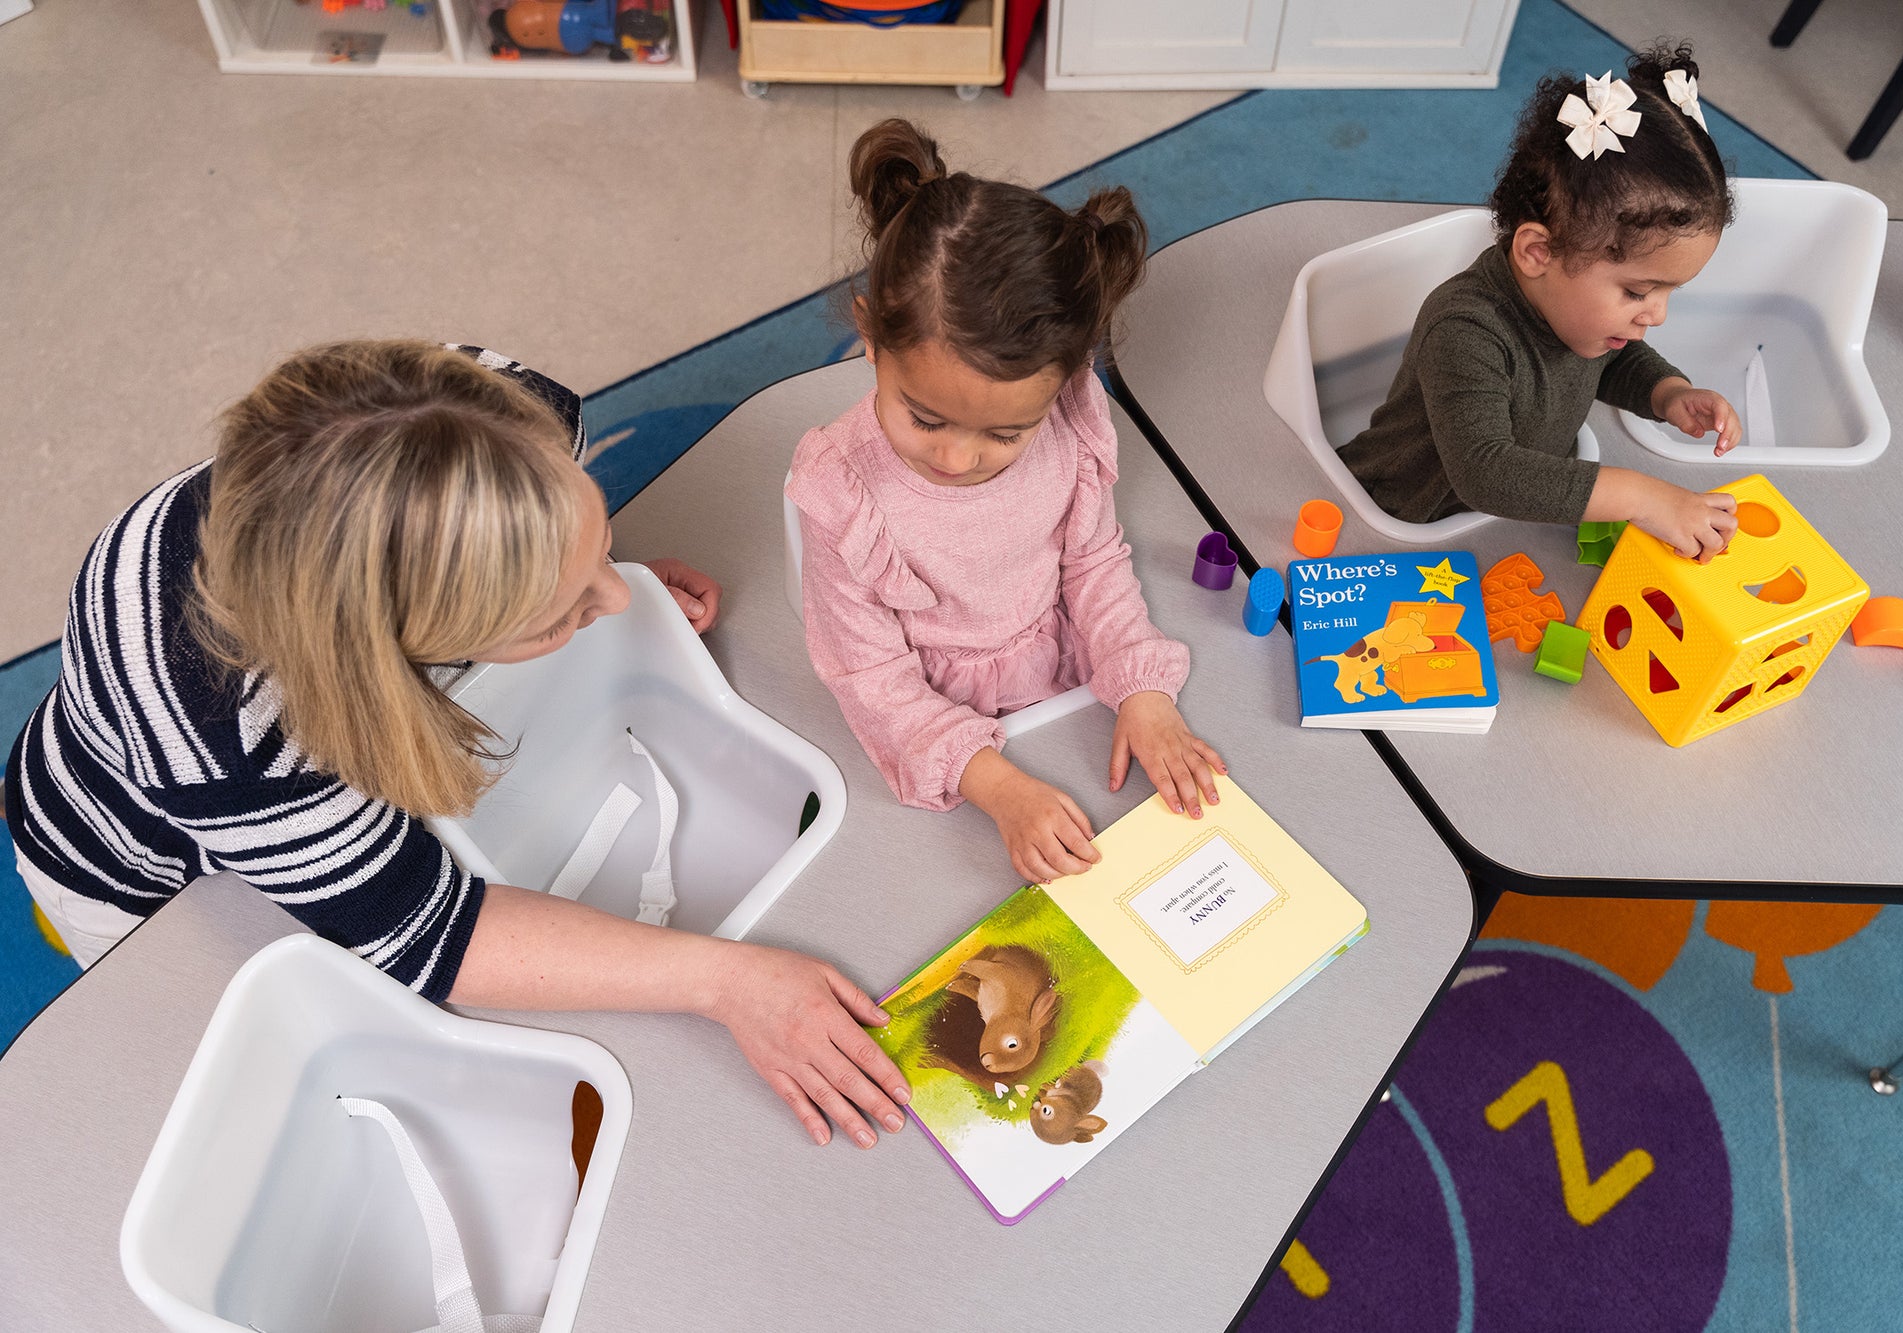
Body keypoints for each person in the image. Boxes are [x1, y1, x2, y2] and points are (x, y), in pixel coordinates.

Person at [3, 340, 908, 1149]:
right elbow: (434, 934)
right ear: (400, 646)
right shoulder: (226, 734)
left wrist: (581, 575)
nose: (618, 599)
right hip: (143, 870)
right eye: (553, 614)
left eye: (591, 536)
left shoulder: (495, 402)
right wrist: (727, 983)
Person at [787, 119, 1226, 887]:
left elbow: (1093, 563)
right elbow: (871, 678)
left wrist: (1143, 687)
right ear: (870, 337)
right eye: (925, 418)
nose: (958, 460)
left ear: (1067, 379)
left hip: (1060, 681)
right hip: (938, 739)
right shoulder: (841, 492)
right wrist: (998, 787)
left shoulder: (1071, 417)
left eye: (1004, 433)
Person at [1338, 44, 1745, 563]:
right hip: (1403, 513)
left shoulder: (1581, 318)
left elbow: (1612, 360)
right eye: (1638, 292)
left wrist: (1669, 394)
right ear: (1538, 252)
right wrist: (1643, 497)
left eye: (1670, 292)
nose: (1658, 314)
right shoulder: (1464, 329)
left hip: (1513, 511)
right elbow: (1487, 473)